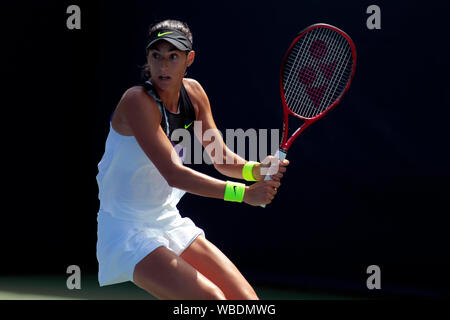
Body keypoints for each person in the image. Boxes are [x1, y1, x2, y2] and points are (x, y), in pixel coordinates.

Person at [96, 19, 289, 300]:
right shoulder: (137, 101)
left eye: (173, 57)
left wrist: (256, 170)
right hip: (127, 229)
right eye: (156, 56)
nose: (163, 66)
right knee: (212, 299)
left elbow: (221, 158)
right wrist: (244, 193)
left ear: (189, 59)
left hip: (168, 221)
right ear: (147, 58)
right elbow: (173, 173)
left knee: (246, 302)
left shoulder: (194, 94)